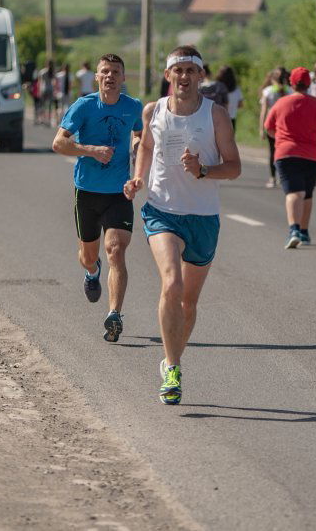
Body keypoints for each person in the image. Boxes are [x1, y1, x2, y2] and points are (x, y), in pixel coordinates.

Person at [125, 45, 241, 406]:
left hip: (203, 217)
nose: (185, 77)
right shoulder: (153, 111)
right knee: (171, 284)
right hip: (162, 211)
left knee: (188, 303)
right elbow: (145, 147)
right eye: (179, 70)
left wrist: (204, 169)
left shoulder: (216, 115)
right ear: (168, 75)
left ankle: (172, 356)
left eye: (192, 70)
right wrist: (138, 178)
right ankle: (172, 368)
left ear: (201, 76)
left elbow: (234, 166)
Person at [51, 54, 144, 344]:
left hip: (119, 192)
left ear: (123, 77)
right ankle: (92, 272)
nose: (110, 76)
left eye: (116, 71)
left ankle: (114, 314)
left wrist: (137, 165)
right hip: (87, 191)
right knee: (89, 256)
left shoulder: (134, 107)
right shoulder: (84, 106)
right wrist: (91, 149)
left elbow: (141, 136)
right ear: (97, 77)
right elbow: (58, 143)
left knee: (116, 250)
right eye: (105, 71)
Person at [264, 67, 316, 249]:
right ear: (308, 84)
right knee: (307, 194)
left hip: (286, 153)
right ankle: (304, 231)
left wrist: (280, 138)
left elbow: (268, 127)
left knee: (294, 192)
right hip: (312, 154)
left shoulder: (281, 103)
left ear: (292, 83)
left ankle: (293, 230)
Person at [258, 67, 290, 188]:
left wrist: (261, 128)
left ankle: (272, 178)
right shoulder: (289, 90)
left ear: (273, 78)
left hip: (272, 126)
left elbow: (264, 111)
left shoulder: (268, 91)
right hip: (286, 126)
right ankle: (283, 176)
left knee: (273, 152)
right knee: (285, 152)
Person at [217, 65, 243, 132]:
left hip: (217, 118)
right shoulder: (237, 89)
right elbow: (240, 105)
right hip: (231, 118)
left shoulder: (217, 87)